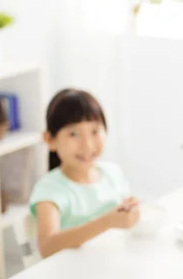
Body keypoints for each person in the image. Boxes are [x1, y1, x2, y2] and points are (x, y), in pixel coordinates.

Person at [29, 89, 139, 258]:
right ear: (50, 140)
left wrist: (129, 209)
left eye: (95, 131)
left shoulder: (112, 173)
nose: (87, 145)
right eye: (74, 134)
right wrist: (107, 221)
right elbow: (47, 246)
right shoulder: (49, 190)